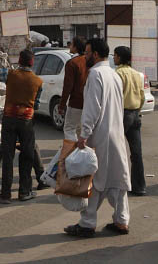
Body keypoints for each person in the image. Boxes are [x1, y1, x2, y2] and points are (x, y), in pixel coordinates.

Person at [64, 39, 130, 238]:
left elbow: (92, 108)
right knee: (117, 179)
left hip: (100, 134)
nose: (85, 56)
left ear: (96, 54)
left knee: (95, 179)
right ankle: (121, 220)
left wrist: (84, 134)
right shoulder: (113, 74)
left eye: (87, 53)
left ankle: (87, 223)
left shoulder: (95, 74)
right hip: (116, 133)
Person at [0, 50, 43, 204]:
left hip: (9, 119)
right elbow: (37, 104)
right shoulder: (38, 81)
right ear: (32, 62)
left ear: (19, 61)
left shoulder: (10, 74)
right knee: (27, 156)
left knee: (8, 156)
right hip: (26, 122)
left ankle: (5, 195)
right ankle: (24, 192)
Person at [113, 46, 146, 197]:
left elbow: (115, 96)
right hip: (135, 113)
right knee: (136, 153)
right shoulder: (136, 74)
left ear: (119, 57)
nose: (114, 58)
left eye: (115, 56)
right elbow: (142, 96)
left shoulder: (118, 73)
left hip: (123, 113)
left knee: (116, 150)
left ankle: (118, 183)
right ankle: (139, 186)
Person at [58, 37, 88, 141]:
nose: (69, 46)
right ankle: (81, 153)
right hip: (88, 101)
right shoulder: (88, 61)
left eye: (71, 44)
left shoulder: (72, 63)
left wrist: (62, 105)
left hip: (76, 101)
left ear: (75, 47)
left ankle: (71, 153)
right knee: (81, 129)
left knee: (69, 128)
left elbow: (68, 87)